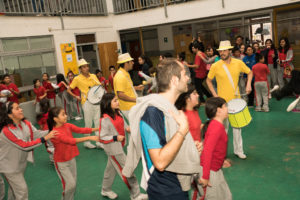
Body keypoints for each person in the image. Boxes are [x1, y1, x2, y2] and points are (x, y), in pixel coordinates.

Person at [123, 58, 202, 200]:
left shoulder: (170, 109)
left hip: (176, 185)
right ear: (174, 80)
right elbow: (159, 162)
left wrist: (188, 148)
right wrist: (182, 131)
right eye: (184, 74)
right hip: (165, 191)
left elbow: (169, 143)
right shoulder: (153, 113)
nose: (188, 78)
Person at [0, 101, 57, 200]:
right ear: (9, 114)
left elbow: (35, 134)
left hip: (20, 163)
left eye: (20, 107)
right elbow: (24, 146)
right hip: (9, 167)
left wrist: (51, 131)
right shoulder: (6, 131)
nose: (21, 109)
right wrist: (45, 138)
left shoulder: (26, 123)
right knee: (22, 191)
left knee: (14, 190)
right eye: (17, 108)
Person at [206, 40, 253, 159]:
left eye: (225, 50)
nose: (222, 53)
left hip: (235, 101)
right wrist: (215, 95)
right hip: (222, 103)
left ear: (230, 51)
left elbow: (250, 72)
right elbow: (208, 80)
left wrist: (248, 85)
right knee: (223, 129)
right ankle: (222, 153)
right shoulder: (215, 65)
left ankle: (239, 150)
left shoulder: (238, 63)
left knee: (237, 128)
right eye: (221, 51)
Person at [99, 93, 147, 200]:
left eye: (117, 100)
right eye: (115, 101)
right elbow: (102, 137)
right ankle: (136, 195)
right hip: (113, 149)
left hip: (119, 146)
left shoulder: (118, 112)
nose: (118, 102)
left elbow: (124, 125)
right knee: (127, 170)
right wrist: (115, 137)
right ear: (108, 104)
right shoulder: (105, 119)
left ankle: (105, 189)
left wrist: (129, 128)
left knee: (110, 170)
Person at [47, 107, 99, 200]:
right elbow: (70, 141)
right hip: (61, 162)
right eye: (63, 114)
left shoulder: (67, 125)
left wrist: (97, 129)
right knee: (70, 185)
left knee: (73, 184)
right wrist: (89, 138)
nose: (66, 116)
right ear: (55, 119)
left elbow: (81, 130)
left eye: (65, 113)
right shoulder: (55, 133)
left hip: (71, 159)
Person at [199, 97, 232, 200]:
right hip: (210, 171)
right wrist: (205, 176)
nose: (228, 108)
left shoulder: (217, 125)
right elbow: (207, 152)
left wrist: (221, 160)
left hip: (215, 169)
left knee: (226, 196)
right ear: (218, 110)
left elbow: (216, 148)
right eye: (225, 106)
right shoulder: (216, 127)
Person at [67, 58, 102, 149]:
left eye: (87, 66)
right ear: (80, 69)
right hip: (86, 102)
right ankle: (87, 142)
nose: (86, 68)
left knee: (97, 121)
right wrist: (76, 96)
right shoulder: (77, 79)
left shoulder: (93, 76)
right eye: (84, 67)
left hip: (96, 101)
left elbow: (99, 87)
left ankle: (98, 141)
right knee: (88, 122)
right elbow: (69, 89)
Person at [113, 53, 144, 124]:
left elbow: (126, 88)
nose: (133, 63)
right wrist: (136, 99)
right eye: (131, 61)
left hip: (131, 106)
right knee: (134, 130)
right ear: (126, 63)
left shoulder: (125, 73)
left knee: (134, 129)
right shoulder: (120, 76)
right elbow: (120, 95)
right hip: (127, 108)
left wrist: (136, 88)